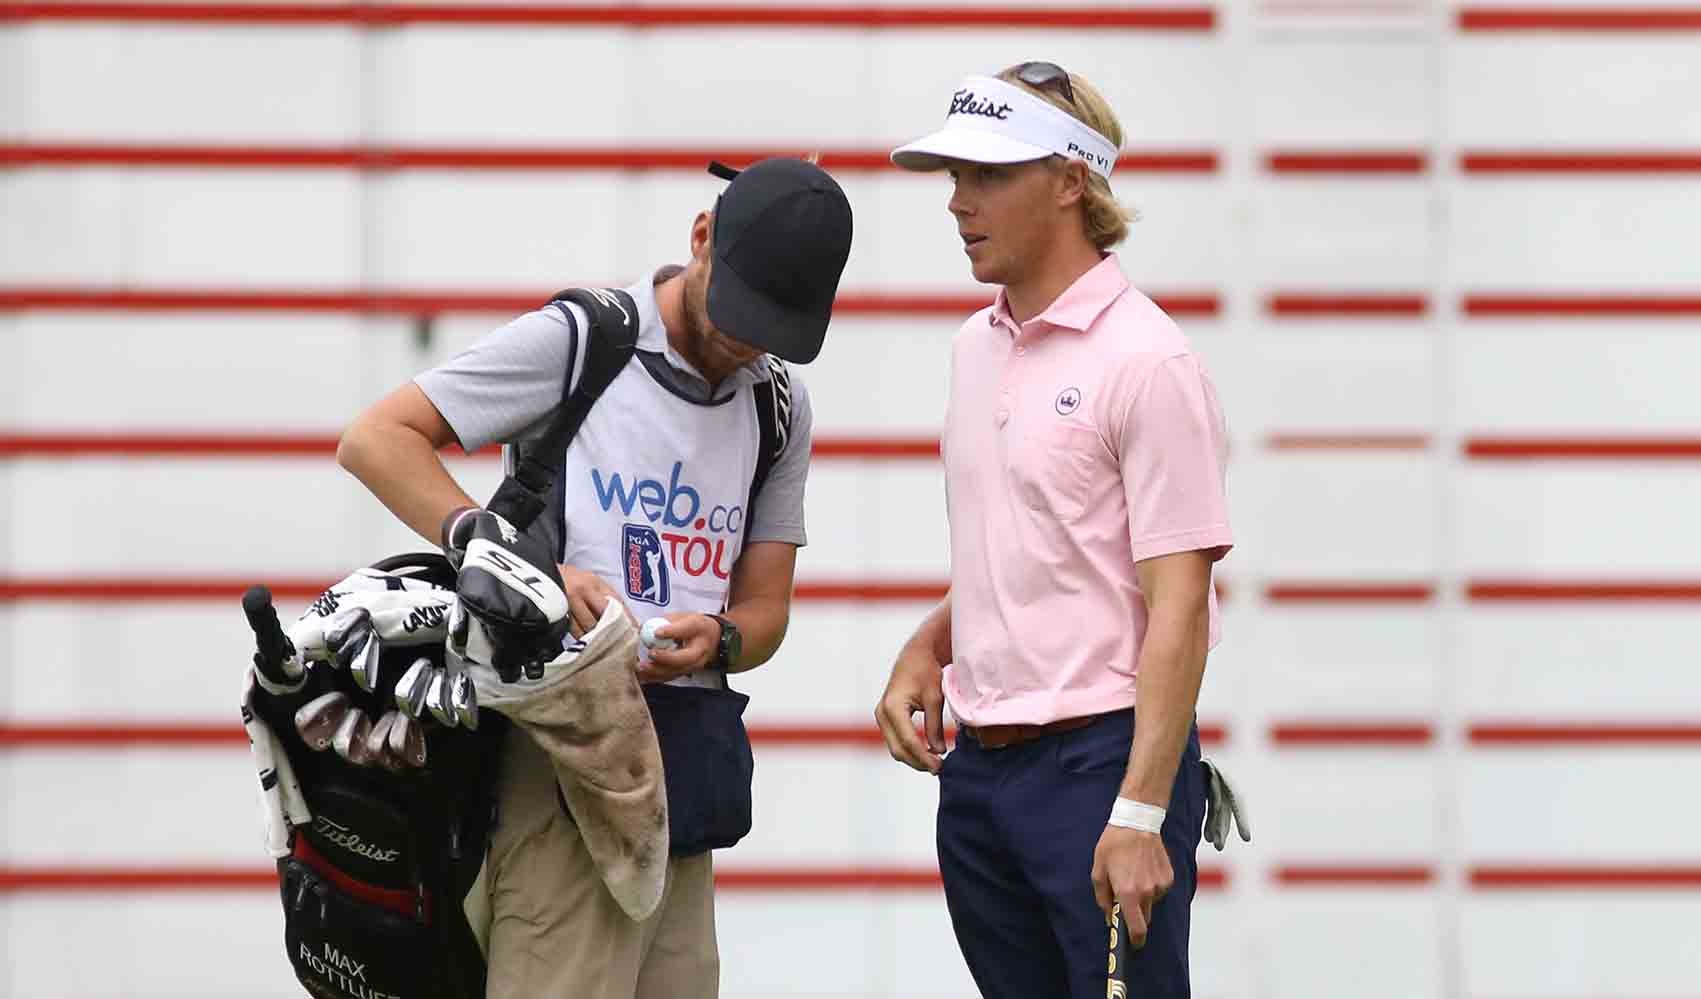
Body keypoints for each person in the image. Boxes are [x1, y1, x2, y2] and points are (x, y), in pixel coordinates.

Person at [336, 157, 854, 998]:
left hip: (683, 772)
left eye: (770, 329)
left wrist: (718, 636)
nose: (743, 343)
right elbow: (376, 438)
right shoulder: (589, 339)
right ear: (700, 238)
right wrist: (515, 560)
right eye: (736, 311)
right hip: (555, 752)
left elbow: (765, 613)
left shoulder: (777, 405)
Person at [875, 63, 1234, 998]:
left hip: (1099, 771)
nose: (958, 202)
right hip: (980, 781)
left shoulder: (1149, 361)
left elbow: (1180, 604)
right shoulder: (972, 346)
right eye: (954, 177)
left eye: (987, 175)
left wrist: (1142, 809)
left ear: (1072, 180)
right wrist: (930, 641)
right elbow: (1043, 544)